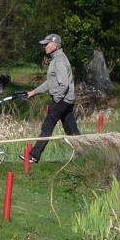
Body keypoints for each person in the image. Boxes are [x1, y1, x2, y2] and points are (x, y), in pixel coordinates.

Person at [22, 33, 80, 163]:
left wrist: (57, 99)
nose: (44, 47)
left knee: (47, 126)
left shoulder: (59, 61)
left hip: (62, 100)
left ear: (55, 45)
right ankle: (85, 155)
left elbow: (64, 84)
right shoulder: (56, 59)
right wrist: (34, 92)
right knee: (72, 131)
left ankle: (33, 156)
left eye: (47, 44)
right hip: (66, 100)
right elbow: (50, 82)